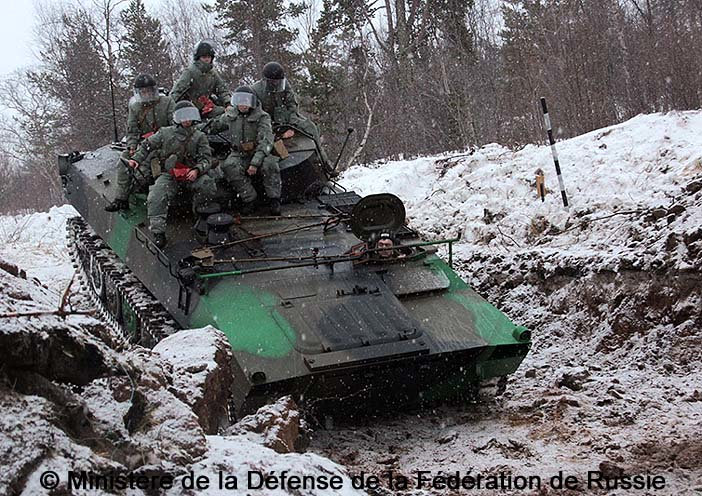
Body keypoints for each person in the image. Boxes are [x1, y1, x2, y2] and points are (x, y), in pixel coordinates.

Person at [130, 101, 216, 248]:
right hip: (169, 174)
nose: (186, 120)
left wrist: (197, 170)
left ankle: (200, 217)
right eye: (183, 116)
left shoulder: (199, 136)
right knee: (156, 195)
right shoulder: (165, 133)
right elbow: (146, 145)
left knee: (207, 184)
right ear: (177, 118)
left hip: (191, 173)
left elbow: (206, 159)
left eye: (189, 116)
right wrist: (136, 159)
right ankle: (158, 232)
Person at [105, 74, 175, 212]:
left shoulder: (167, 102)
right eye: (143, 92)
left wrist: (159, 135)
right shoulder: (135, 107)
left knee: (148, 169)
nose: (147, 94)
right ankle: (121, 199)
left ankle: (155, 198)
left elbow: (174, 125)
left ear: (154, 90)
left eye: (149, 91)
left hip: (164, 143)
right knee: (124, 162)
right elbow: (132, 130)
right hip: (143, 145)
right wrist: (132, 146)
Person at [208, 86, 281, 215]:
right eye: (240, 101)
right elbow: (215, 125)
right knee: (229, 166)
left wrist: (255, 163)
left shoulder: (262, 117)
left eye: (246, 101)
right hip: (239, 153)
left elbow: (265, 141)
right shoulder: (231, 115)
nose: (243, 105)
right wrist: (194, 128)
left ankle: (274, 199)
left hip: (260, 152)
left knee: (270, 165)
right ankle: (250, 198)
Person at [251, 61, 330, 167]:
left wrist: (292, 124)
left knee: (311, 127)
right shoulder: (255, 91)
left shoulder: (284, 84)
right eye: (273, 82)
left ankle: (323, 160)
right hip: (268, 124)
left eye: (278, 82)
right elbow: (257, 116)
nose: (276, 84)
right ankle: (286, 166)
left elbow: (292, 104)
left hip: (287, 118)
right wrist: (278, 132)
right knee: (275, 146)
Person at [170, 41, 230, 120]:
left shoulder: (213, 74)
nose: (207, 59)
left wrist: (228, 103)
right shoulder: (190, 72)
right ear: (198, 58)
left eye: (209, 57)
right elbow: (177, 91)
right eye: (204, 57)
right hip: (189, 108)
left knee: (225, 114)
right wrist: (171, 109)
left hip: (206, 107)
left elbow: (222, 90)